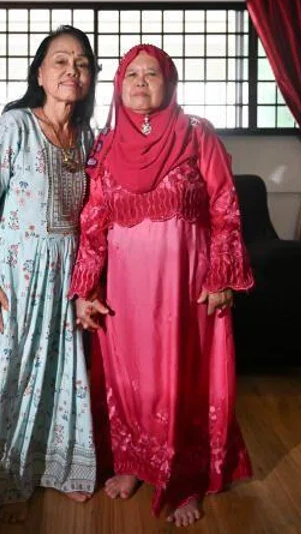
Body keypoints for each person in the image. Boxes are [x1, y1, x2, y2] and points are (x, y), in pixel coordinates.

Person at [69, 44, 254, 527]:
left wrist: (222, 275)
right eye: (131, 74)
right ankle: (134, 462)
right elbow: (93, 221)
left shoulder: (197, 134)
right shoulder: (106, 144)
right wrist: (86, 289)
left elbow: (225, 205)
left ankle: (186, 478)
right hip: (125, 291)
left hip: (186, 287)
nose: (141, 82)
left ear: (169, 84)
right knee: (131, 377)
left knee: (183, 377)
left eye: (151, 73)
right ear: (118, 86)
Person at [0, 25, 99, 523]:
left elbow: (94, 216)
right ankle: (2, 479)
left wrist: (88, 281)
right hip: (19, 271)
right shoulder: (15, 126)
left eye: (82, 63)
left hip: (69, 270)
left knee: (64, 370)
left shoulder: (87, 137)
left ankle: (60, 469)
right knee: (12, 370)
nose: (72, 70)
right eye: (61, 61)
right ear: (40, 73)